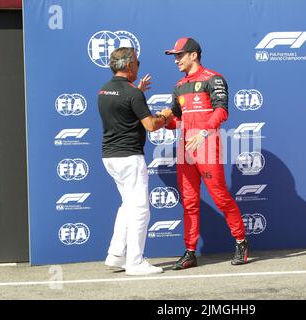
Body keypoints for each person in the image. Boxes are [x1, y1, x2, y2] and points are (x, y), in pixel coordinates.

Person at [159, 37, 249, 270]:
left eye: (179, 55)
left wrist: (204, 133)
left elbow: (222, 111)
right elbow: (177, 119)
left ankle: (241, 241)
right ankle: (190, 252)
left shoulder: (214, 79)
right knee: (189, 202)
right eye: (174, 56)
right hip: (185, 150)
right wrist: (162, 120)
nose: (176, 59)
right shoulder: (179, 85)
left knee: (220, 198)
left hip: (207, 146)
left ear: (194, 55)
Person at [98, 47, 169, 276]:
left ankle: (116, 255)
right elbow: (150, 125)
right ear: (129, 66)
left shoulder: (105, 90)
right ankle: (135, 262)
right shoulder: (132, 94)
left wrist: (136, 93)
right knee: (140, 210)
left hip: (110, 158)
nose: (138, 66)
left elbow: (123, 107)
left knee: (127, 206)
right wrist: (166, 116)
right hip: (129, 158)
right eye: (137, 63)